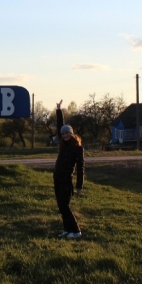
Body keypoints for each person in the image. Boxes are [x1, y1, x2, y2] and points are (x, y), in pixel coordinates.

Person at [54, 100, 85, 239]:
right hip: (57, 179)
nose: (65, 135)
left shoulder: (77, 148)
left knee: (65, 206)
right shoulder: (63, 146)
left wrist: (79, 185)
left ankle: (76, 230)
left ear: (71, 134)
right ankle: (67, 229)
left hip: (67, 180)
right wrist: (59, 110)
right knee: (61, 206)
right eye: (63, 133)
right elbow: (60, 126)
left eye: (67, 133)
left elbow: (80, 167)